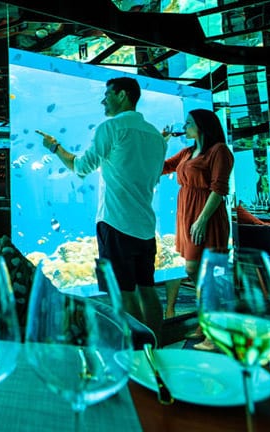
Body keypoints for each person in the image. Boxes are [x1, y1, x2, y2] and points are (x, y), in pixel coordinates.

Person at [36, 76, 166, 340]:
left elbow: (81, 167)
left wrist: (55, 147)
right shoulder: (156, 136)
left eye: (107, 94)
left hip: (116, 222)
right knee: (147, 289)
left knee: (121, 292)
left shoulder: (111, 128)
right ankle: (157, 347)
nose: (103, 100)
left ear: (123, 95)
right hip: (145, 225)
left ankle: (134, 355)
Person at [162, 108, 234, 350]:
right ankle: (206, 323)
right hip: (186, 214)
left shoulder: (219, 151)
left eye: (189, 122)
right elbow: (162, 168)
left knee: (203, 271)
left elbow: (219, 188)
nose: (185, 126)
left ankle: (215, 334)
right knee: (196, 272)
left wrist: (202, 220)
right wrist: (161, 142)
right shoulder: (188, 152)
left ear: (202, 125)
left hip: (207, 215)